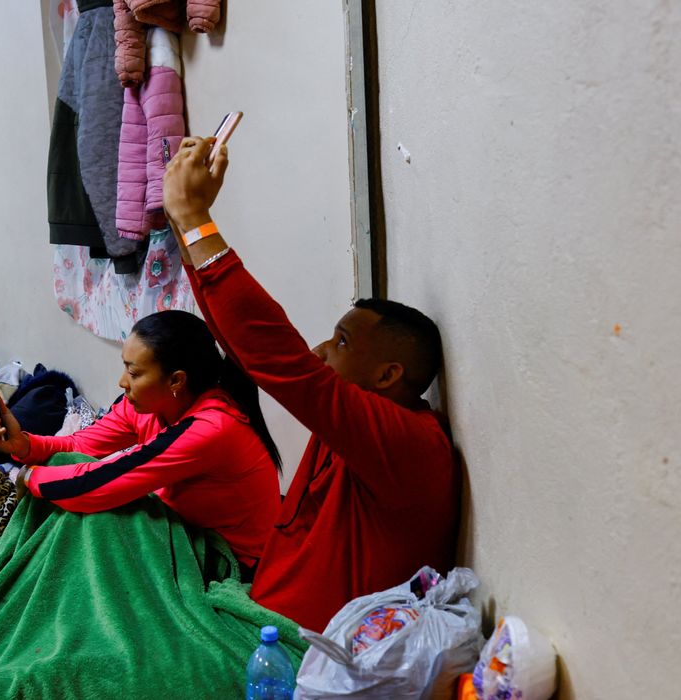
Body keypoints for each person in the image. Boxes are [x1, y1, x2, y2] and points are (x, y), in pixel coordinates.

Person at [161, 136, 460, 632]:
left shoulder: (409, 445)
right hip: (259, 613)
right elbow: (250, 352)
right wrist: (180, 219)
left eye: (341, 342)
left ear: (389, 374)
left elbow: (280, 359)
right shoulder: (354, 427)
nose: (322, 350)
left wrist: (196, 218)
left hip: (304, 652)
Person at [0, 309, 282, 574]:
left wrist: (30, 475)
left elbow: (102, 484)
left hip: (225, 557)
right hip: (185, 531)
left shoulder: (211, 428)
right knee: (66, 473)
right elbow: (80, 444)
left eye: (134, 373)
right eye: (125, 366)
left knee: (91, 517)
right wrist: (23, 444)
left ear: (176, 380)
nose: (122, 382)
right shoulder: (147, 405)